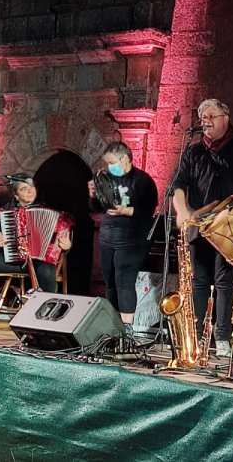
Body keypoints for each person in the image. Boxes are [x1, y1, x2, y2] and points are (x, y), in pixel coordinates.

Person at [171, 98, 233, 358]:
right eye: (202, 116)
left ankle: (222, 337)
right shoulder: (193, 152)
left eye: (211, 115)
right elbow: (178, 186)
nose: (205, 120)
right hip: (200, 227)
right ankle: (194, 335)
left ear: (226, 117)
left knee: (225, 283)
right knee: (199, 281)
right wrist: (182, 211)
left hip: (232, 225)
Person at [87, 141, 158, 329]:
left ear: (125, 158)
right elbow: (96, 208)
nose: (110, 167)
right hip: (109, 235)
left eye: (112, 162)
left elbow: (148, 210)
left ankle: (127, 328)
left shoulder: (142, 180)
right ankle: (112, 324)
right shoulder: (106, 178)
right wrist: (93, 195)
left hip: (132, 238)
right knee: (109, 281)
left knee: (124, 281)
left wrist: (125, 211)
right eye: (107, 164)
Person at [0, 175, 72, 300]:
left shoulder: (48, 210)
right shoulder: (7, 212)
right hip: (16, 259)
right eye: (23, 189)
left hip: (40, 262)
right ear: (16, 196)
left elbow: (64, 236)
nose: (30, 190)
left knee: (47, 272)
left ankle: (48, 307)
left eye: (31, 187)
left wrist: (67, 245)